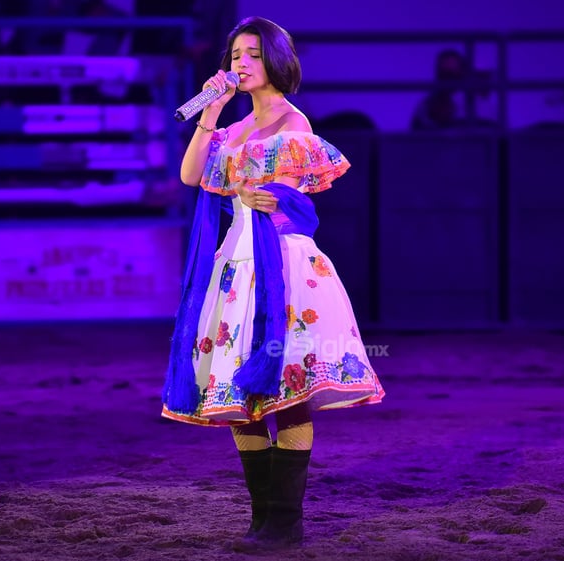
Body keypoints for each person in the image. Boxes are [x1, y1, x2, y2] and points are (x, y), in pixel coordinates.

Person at [161, 15, 385, 550]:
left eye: (253, 54)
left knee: (285, 393)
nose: (241, 63)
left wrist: (266, 196)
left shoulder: (293, 125)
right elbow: (192, 176)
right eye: (235, 54)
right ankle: (263, 521)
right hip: (237, 265)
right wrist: (208, 115)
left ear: (276, 61)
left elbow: (291, 197)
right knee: (237, 394)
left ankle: (285, 523)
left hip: (280, 262)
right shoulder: (232, 130)